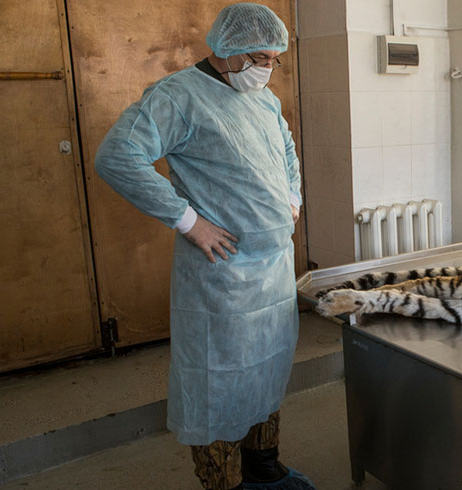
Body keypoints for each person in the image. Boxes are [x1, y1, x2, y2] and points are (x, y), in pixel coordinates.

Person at [94, 4, 313, 489]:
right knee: (219, 385)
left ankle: (263, 464)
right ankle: (224, 480)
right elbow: (117, 156)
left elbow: (287, 149)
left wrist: (292, 196)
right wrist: (190, 222)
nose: (266, 68)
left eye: (274, 59)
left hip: (272, 271)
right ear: (226, 49)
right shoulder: (179, 98)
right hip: (224, 279)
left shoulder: (264, 99)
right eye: (259, 56)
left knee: (268, 370)